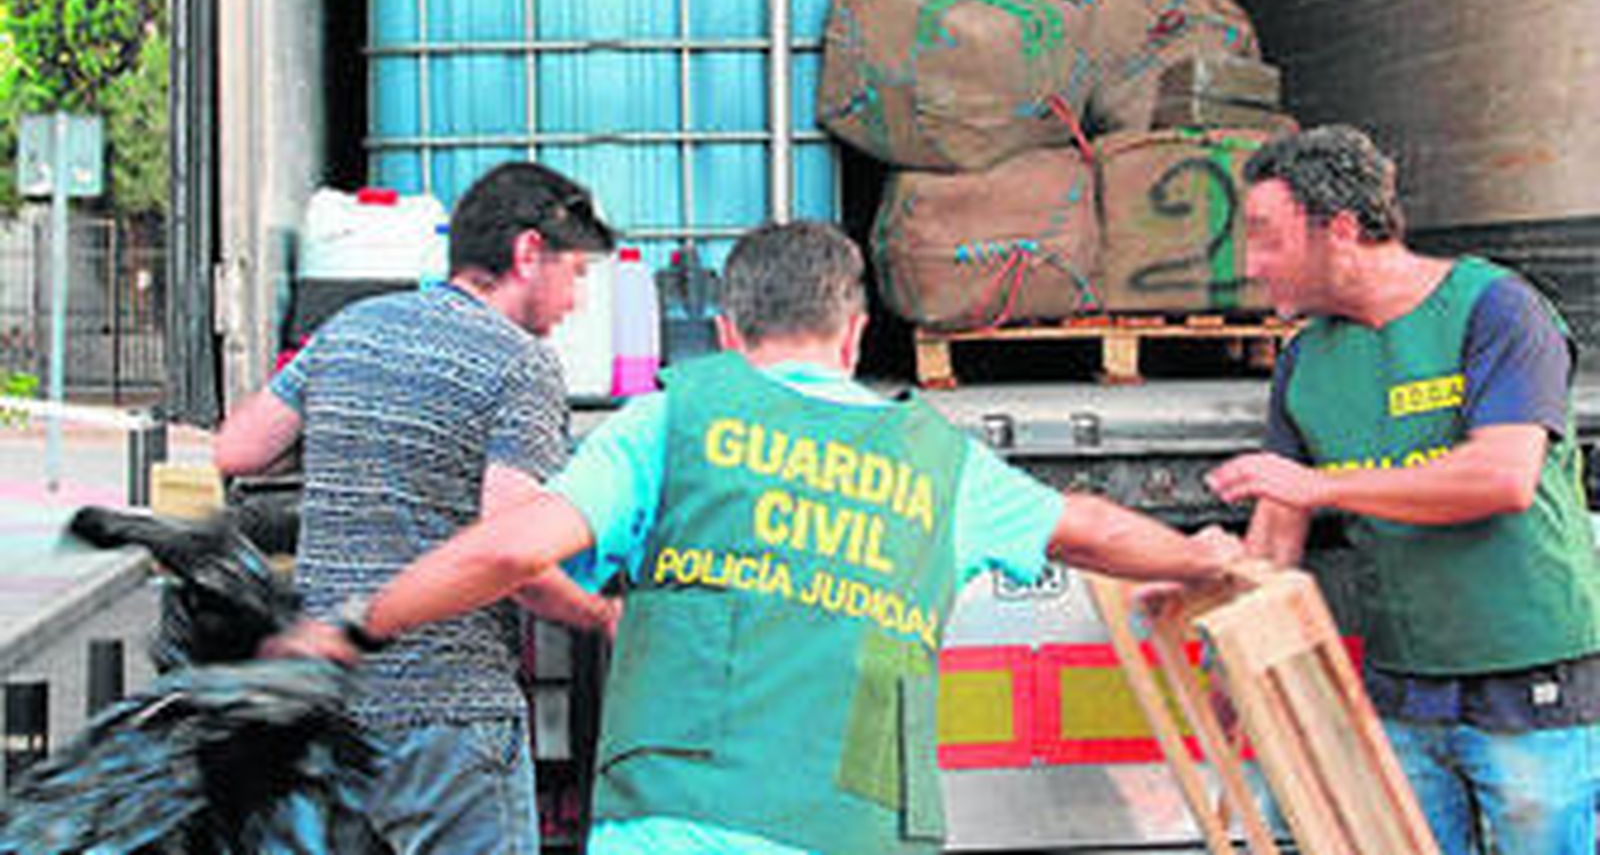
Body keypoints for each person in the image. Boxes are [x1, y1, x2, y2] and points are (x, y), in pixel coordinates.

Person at [266, 219, 1243, 855]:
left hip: (670, 825)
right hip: (856, 828)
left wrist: (354, 624)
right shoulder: (934, 459)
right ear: (856, 333)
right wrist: (1202, 554)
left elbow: (511, 548)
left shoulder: (673, 417)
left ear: (725, 332)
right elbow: (1090, 528)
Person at [1205, 125, 1600, 855]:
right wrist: (1223, 631)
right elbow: (1277, 528)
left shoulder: (1496, 308)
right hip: (1404, 687)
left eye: (1266, 238)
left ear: (1343, 230)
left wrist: (1322, 484)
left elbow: (1503, 476)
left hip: (1528, 678)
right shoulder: (1306, 361)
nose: (1251, 266)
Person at [215, 161, 620, 855]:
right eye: (575, 272)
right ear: (529, 253)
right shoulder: (520, 364)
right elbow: (513, 553)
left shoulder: (352, 328)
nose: (576, 300)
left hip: (329, 707)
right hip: (449, 719)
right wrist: (599, 613)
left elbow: (240, 448)